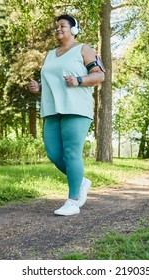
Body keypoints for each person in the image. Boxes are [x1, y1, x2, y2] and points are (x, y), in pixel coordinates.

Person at [28, 14, 105, 216]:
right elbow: (53, 81)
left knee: (72, 153)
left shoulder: (84, 49)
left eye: (63, 25)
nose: (58, 29)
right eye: (56, 27)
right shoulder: (51, 54)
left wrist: (79, 80)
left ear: (74, 29)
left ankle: (73, 201)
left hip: (76, 108)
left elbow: (100, 75)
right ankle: (80, 181)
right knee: (53, 153)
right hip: (52, 109)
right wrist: (39, 86)